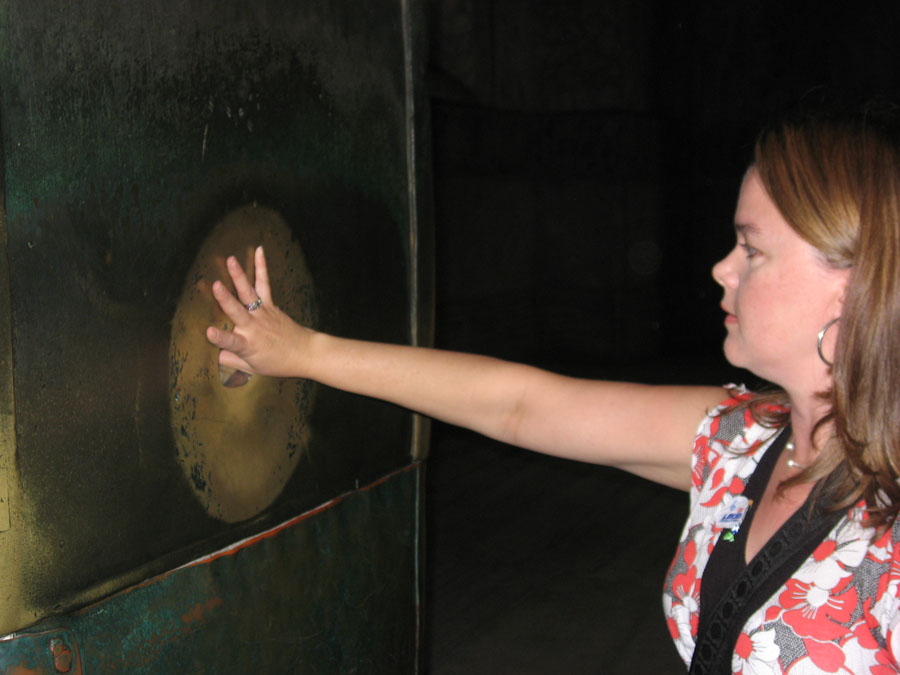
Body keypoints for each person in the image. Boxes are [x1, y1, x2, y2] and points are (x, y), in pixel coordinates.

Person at [206, 101, 900, 673]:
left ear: (848, 286)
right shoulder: (740, 441)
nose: (721, 268)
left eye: (751, 248)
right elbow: (521, 405)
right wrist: (301, 350)